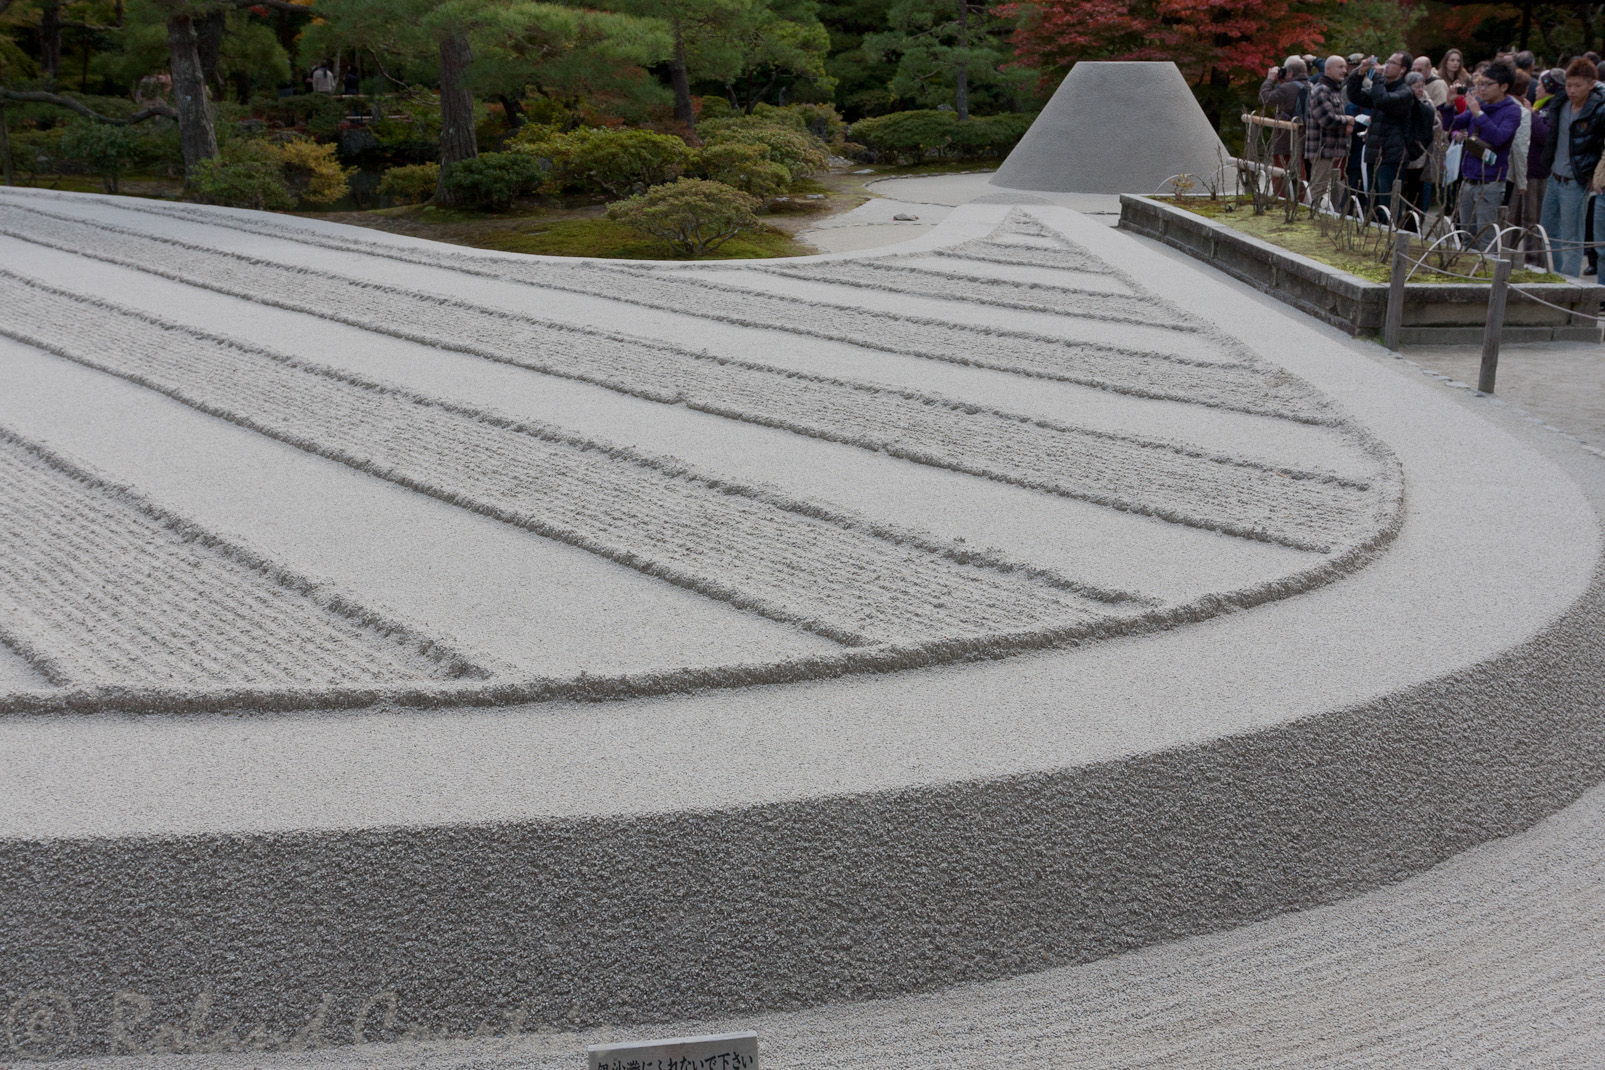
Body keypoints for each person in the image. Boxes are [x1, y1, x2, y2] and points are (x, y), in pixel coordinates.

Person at [1540, 57, 1605, 275]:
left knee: (1571, 237)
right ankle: (1554, 277)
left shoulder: (1597, 109)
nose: (1572, 90)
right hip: (1554, 176)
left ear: (1591, 84)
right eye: (1569, 85)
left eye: (1578, 85)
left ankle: (1568, 284)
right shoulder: (1561, 102)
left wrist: (1592, 174)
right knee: (1548, 232)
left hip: (1576, 180)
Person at [1448, 62, 1522, 249]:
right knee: (1466, 237)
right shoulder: (1479, 105)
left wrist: (1478, 113)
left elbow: (1499, 137)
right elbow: (1451, 124)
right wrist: (1448, 104)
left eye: (1488, 84)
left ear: (1504, 86)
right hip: (1468, 179)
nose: (1481, 88)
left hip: (1490, 183)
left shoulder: (1512, 110)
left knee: (1486, 241)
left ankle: (1485, 278)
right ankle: (1466, 276)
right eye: (1480, 83)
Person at [1347, 52, 1418, 223]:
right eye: (1386, 61)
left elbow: (1382, 101)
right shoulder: (1382, 87)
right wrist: (1359, 73)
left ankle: (1391, 243)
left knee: (1388, 206)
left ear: (1403, 69)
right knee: (1373, 203)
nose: (1386, 65)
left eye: (1392, 63)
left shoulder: (1405, 92)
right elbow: (1355, 96)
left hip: (1391, 156)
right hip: (1374, 152)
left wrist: (1377, 77)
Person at [1306, 55, 1353, 212]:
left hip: (1334, 149)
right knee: (1318, 189)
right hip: (1321, 148)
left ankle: (1322, 219)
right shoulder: (1321, 90)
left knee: (1332, 189)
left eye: (1345, 67)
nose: (1344, 71)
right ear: (1328, 69)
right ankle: (1311, 220)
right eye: (1340, 67)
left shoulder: (1334, 90)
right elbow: (1327, 119)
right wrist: (1348, 120)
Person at [1260, 56, 1310, 198]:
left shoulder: (1288, 88)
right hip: (1303, 139)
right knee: (1300, 173)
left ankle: (1280, 201)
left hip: (1284, 139)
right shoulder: (1311, 86)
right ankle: (1299, 202)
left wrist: (1269, 79)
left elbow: (1264, 98)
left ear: (1290, 73)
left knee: (1280, 172)